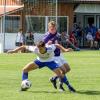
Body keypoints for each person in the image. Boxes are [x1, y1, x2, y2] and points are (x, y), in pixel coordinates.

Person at [7, 41, 72, 91]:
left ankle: (69, 86)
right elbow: (23, 46)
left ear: (44, 47)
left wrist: (65, 50)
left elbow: (57, 45)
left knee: (60, 74)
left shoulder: (50, 48)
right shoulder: (35, 49)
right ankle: (24, 84)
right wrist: (13, 51)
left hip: (50, 62)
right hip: (40, 61)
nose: (39, 50)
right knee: (25, 69)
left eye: (41, 49)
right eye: (39, 49)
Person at [43, 21, 76, 92]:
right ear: (49, 28)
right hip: (53, 56)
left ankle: (54, 78)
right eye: (51, 29)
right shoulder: (46, 36)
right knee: (63, 70)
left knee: (68, 69)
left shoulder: (57, 34)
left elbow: (59, 42)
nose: (53, 30)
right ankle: (60, 86)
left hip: (59, 54)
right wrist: (46, 44)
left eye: (54, 28)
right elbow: (42, 46)